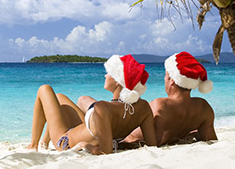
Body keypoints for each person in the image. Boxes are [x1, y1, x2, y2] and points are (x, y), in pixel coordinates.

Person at [78, 51, 217, 147]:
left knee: (84, 100)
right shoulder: (203, 107)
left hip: (114, 135)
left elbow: (151, 143)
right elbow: (210, 138)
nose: (164, 79)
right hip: (113, 130)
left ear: (172, 81)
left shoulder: (161, 105)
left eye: (166, 75)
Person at [27, 54, 157, 154]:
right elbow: (152, 145)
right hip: (81, 131)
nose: (105, 76)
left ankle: (33, 145)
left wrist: (87, 146)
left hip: (65, 141)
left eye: (109, 73)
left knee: (44, 89)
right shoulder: (143, 107)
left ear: (118, 81)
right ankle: (44, 142)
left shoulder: (103, 107)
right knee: (59, 98)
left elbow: (105, 153)